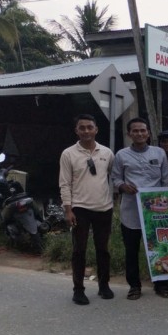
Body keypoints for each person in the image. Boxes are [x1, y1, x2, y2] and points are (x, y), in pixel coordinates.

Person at [112, 117, 168, 300]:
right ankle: (134, 286)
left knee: (160, 250)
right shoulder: (121, 155)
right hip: (130, 212)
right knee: (131, 251)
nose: (139, 134)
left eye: (142, 130)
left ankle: (161, 285)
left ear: (148, 133)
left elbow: (166, 180)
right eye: (135, 131)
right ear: (129, 134)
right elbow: (115, 179)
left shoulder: (159, 153)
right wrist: (123, 187)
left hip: (156, 212)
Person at [59, 114, 115, 305]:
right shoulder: (68, 154)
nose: (86, 131)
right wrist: (68, 210)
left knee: (103, 249)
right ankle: (78, 289)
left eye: (89, 127)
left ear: (96, 129)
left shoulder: (107, 153)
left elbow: (114, 178)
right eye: (81, 128)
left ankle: (104, 285)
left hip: (104, 207)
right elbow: (64, 184)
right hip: (79, 208)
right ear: (76, 131)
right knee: (79, 250)